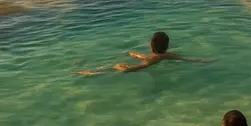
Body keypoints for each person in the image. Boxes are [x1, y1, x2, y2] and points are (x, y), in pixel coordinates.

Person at [75, 31, 205, 75]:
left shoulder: (152, 59)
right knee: (133, 57)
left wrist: (128, 66)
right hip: (151, 59)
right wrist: (204, 61)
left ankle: (93, 72)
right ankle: (94, 71)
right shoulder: (170, 55)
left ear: (150, 45)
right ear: (167, 46)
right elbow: (188, 59)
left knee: (116, 67)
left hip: (147, 63)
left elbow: (144, 64)